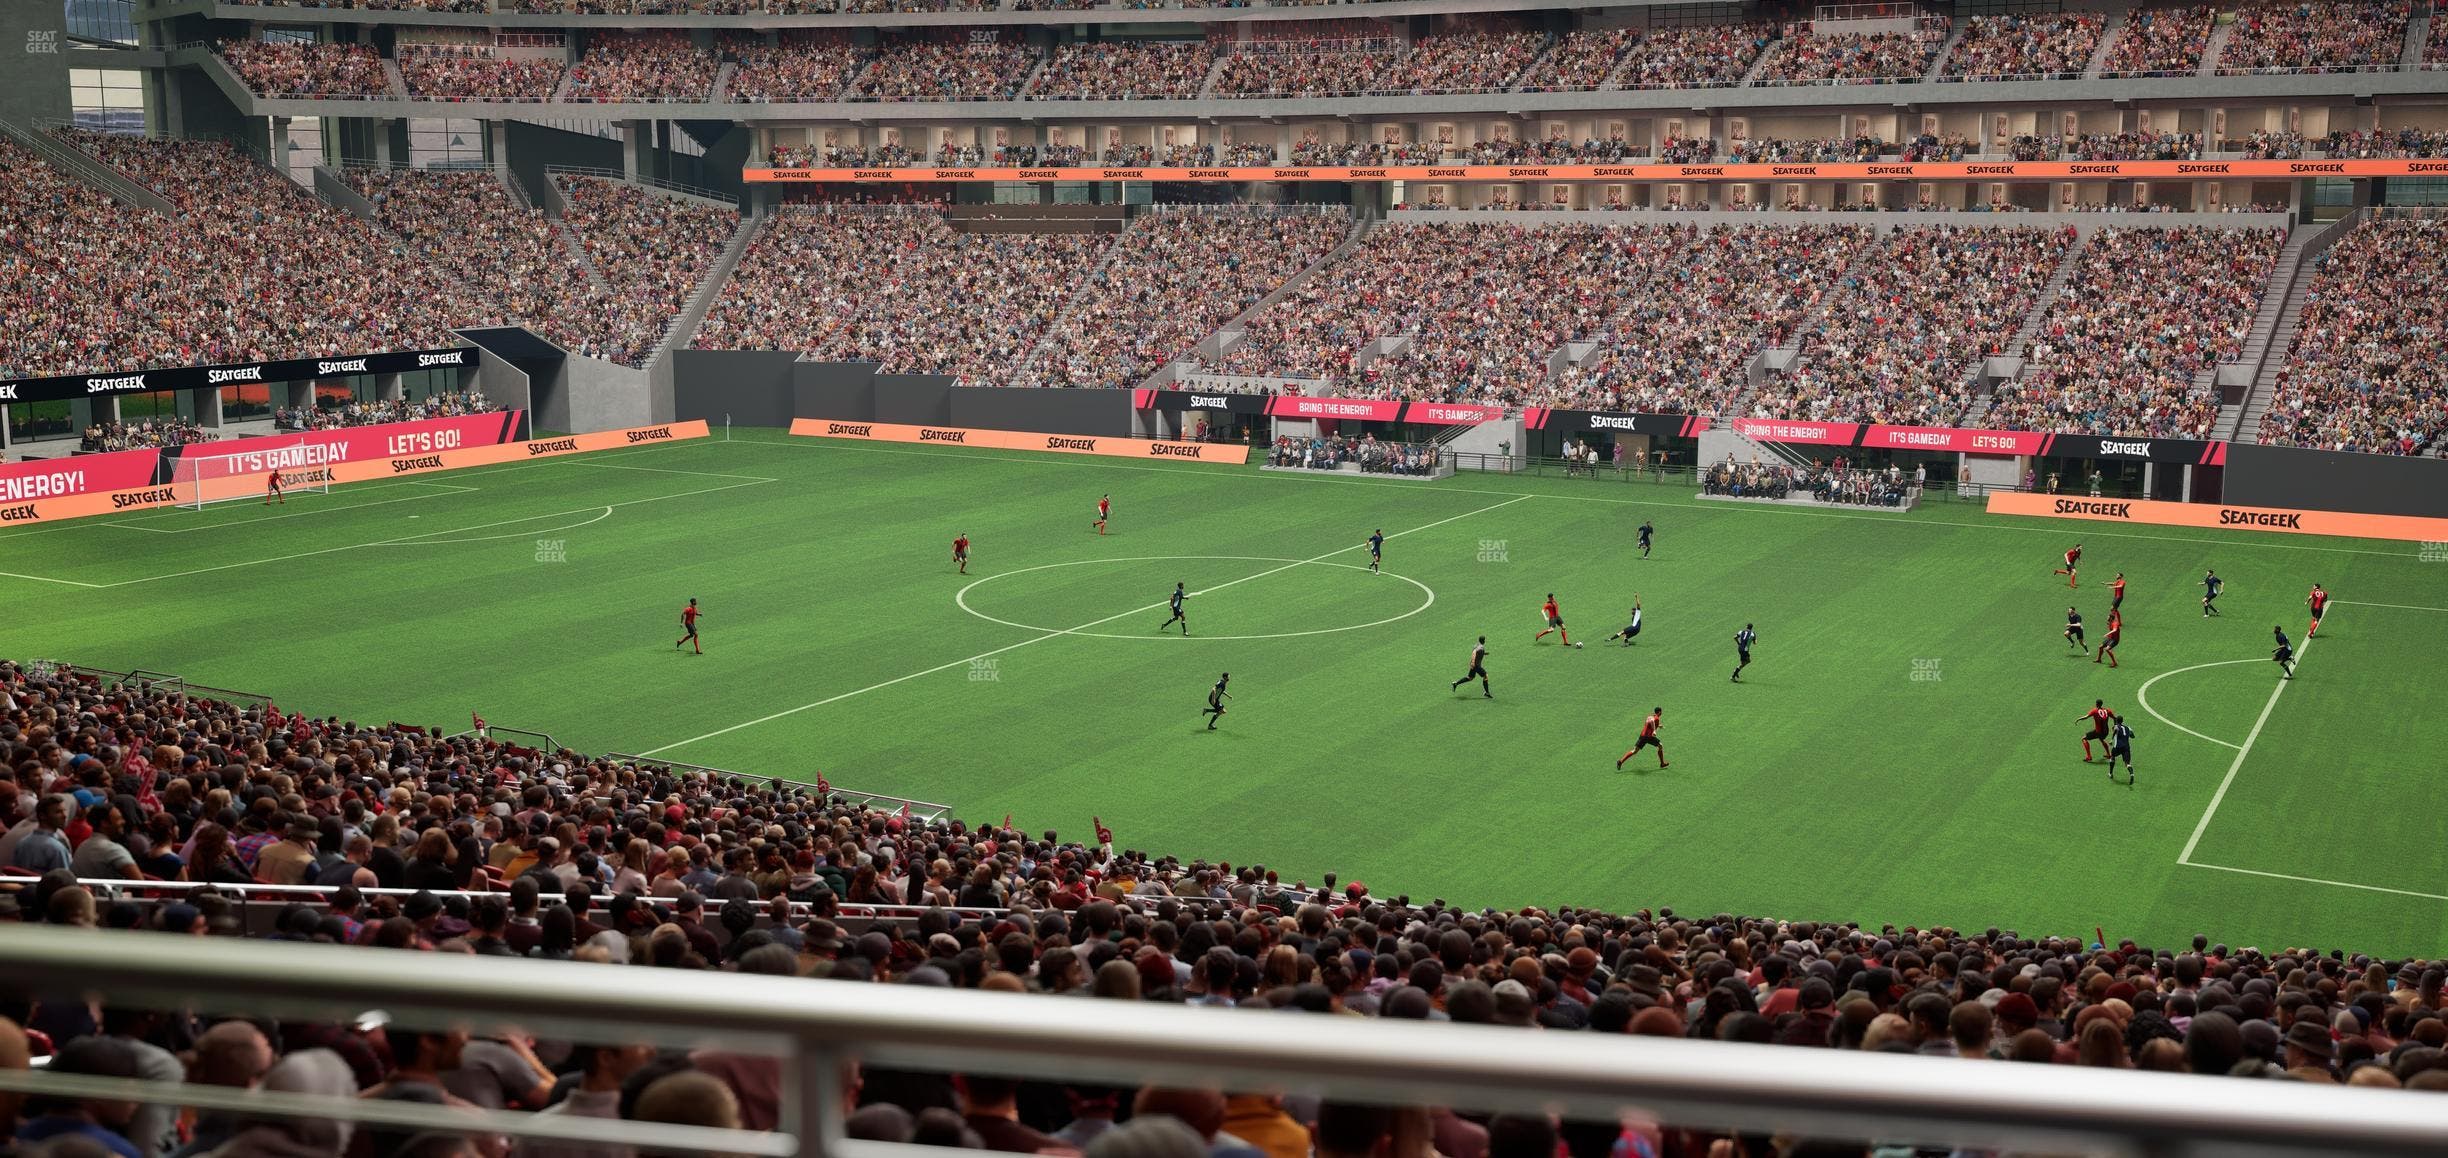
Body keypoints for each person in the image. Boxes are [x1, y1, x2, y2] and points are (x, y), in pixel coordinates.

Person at [2107, 714, 2135, 783]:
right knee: (2127, 763)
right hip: (2126, 747)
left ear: (2116, 721)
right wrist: (2129, 734)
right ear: (2122, 721)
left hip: (2118, 746)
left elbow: (2116, 729)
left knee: (2112, 757)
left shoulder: (2116, 726)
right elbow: (2133, 736)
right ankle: (2131, 774)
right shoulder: (2128, 728)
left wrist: (2111, 739)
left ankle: (2110, 773)